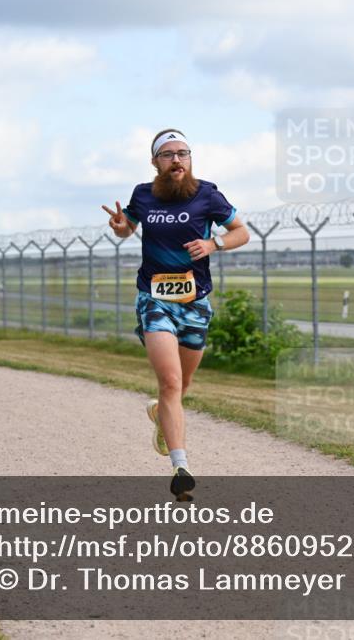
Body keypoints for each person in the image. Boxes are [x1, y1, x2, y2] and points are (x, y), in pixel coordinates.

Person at [102, 129, 249, 499]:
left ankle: (161, 421)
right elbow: (128, 227)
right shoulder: (143, 194)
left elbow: (241, 233)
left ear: (191, 158)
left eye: (183, 153)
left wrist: (213, 243)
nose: (177, 160)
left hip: (195, 302)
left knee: (182, 386)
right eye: (168, 155)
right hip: (154, 299)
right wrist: (121, 228)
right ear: (155, 162)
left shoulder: (207, 194)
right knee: (169, 382)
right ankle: (180, 467)